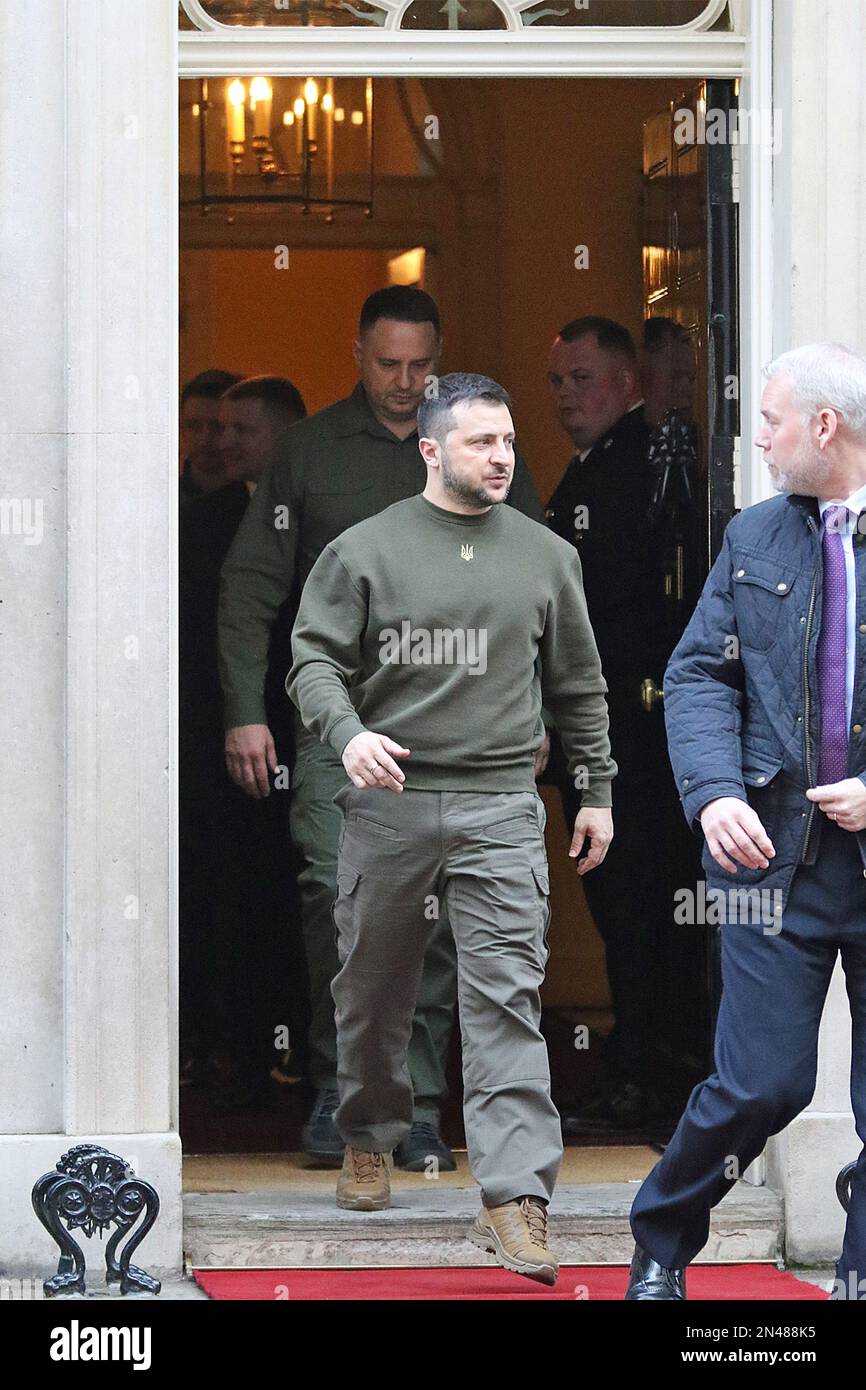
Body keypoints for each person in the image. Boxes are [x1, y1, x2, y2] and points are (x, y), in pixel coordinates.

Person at [287, 373, 616, 1285]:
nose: (502, 456)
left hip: (503, 805)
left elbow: (579, 687)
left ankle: (515, 1201)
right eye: (480, 442)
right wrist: (347, 737)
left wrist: (595, 790)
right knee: (375, 990)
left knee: (506, 998)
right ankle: (369, 1132)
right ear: (430, 451)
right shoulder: (364, 551)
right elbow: (312, 660)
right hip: (389, 801)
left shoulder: (548, 557)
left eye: (508, 440)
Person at [218, 286, 545, 1169]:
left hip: (468, 730)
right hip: (342, 725)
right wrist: (247, 709)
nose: (404, 383)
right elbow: (252, 587)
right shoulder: (309, 452)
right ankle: (343, 1083)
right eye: (387, 364)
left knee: (440, 911)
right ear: (357, 353)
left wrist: (544, 716)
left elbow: (546, 598)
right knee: (339, 891)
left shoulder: (482, 449)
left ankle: (423, 1105)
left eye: (420, 366)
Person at [627, 343, 866, 1301]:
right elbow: (697, 675)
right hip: (774, 856)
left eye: (768, 422)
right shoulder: (755, 535)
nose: (756, 438)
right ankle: (661, 1236)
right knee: (764, 1085)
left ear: (823, 427)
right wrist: (716, 793)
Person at [544, 316, 668, 1136]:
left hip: (624, 738)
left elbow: (605, 621)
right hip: (601, 735)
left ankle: (652, 1074)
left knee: (638, 909)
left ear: (626, 385)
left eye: (584, 379)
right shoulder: (594, 470)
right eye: (557, 381)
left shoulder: (631, 474)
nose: (566, 397)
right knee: (623, 908)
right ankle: (641, 1064)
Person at [179, 375, 307, 1107]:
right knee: (223, 901)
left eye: (240, 430)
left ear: (286, 437)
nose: (221, 443)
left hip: (307, 740)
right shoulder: (199, 522)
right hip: (214, 749)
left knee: (299, 900)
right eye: (215, 428)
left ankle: (301, 1050)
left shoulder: (318, 517)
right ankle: (232, 1051)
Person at [179, 369, 242, 505]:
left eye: (218, 427)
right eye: (194, 426)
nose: (204, 440)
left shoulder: (265, 506)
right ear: (181, 429)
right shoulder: (157, 499)